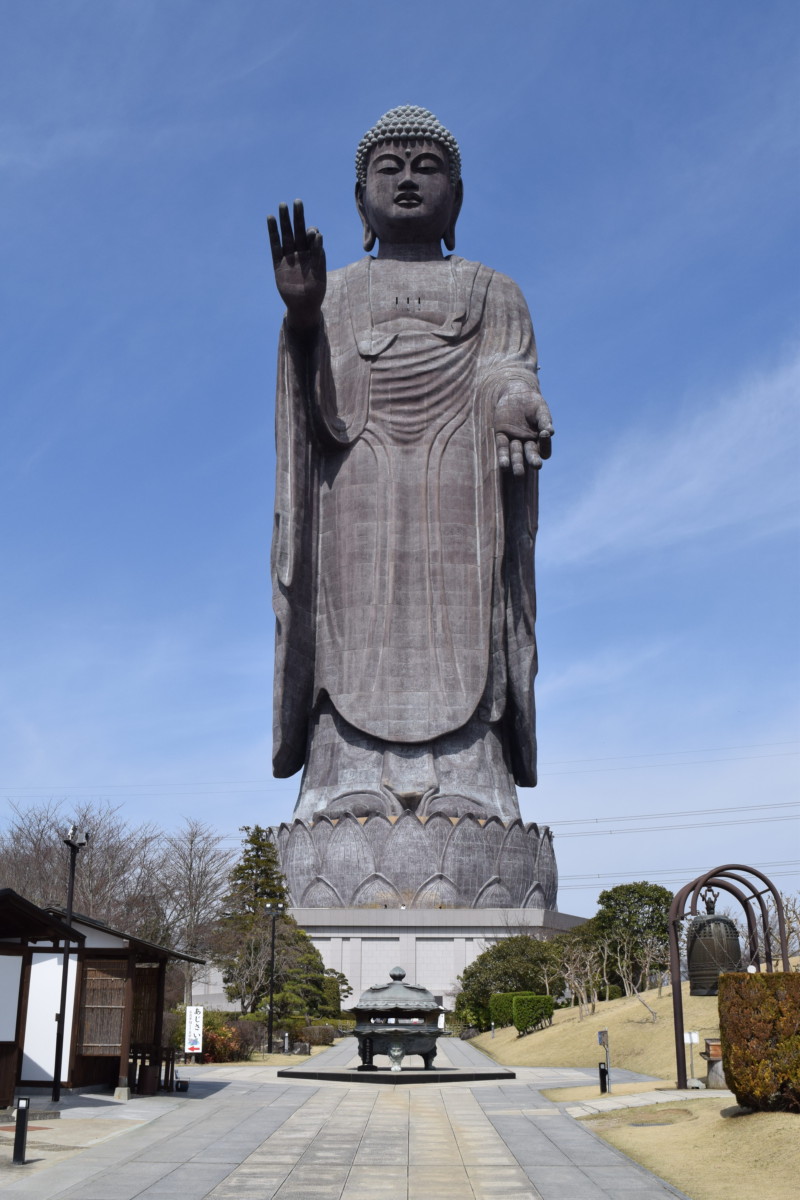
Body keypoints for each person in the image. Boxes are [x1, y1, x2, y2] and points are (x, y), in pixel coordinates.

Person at [268, 106, 553, 823]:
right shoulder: (335, 290)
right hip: (356, 485)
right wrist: (303, 318)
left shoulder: (494, 291)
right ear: (359, 198)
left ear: (456, 196)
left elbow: (508, 370)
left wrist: (514, 399)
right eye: (387, 169)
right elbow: (319, 413)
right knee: (350, 626)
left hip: (461, 488)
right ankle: (342, 774)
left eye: (426, 168)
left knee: (470, 616)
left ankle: (474, 776)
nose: (406, 181)